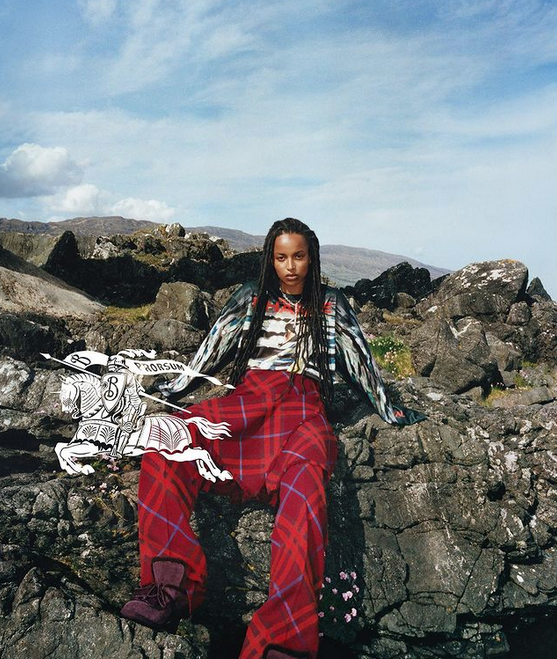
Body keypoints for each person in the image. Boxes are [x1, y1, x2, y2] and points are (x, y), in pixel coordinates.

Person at [121, 218, 424, 659]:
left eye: (298, 256)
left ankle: (282, 642)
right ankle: (170, 586)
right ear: (271, 259)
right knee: (169, 441)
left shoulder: (332, 305)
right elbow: (210, 351)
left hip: (304, 410)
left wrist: (392, 411)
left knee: (306, 497)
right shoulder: (251, 298)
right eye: (281, 257)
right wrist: (172, 391)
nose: (290, 266)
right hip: (248, 401)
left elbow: (361, 364)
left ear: (311, 258)